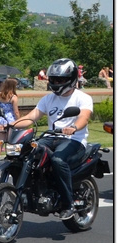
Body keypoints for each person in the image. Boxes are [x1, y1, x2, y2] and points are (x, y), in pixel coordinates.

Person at [9, 58, 94, 220]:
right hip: (50, 138)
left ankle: (69, 204)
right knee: (25, 152)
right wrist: (12, 124)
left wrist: (74, 127)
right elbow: (31, 117)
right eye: (53, 79)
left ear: (71, 78)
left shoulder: (82, 98)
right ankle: (32, 191)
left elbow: (84, 117)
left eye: (60, 80)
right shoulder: (48, 99)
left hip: (74, 140)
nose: (55, 82)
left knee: (58, 160)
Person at [0, 78, 20, 162]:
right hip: (11, 120)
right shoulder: (13, 97)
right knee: (12, 141)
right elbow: (16, 112)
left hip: (1, 119)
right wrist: (19, 121)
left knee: (0, 141)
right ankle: (12, 159)